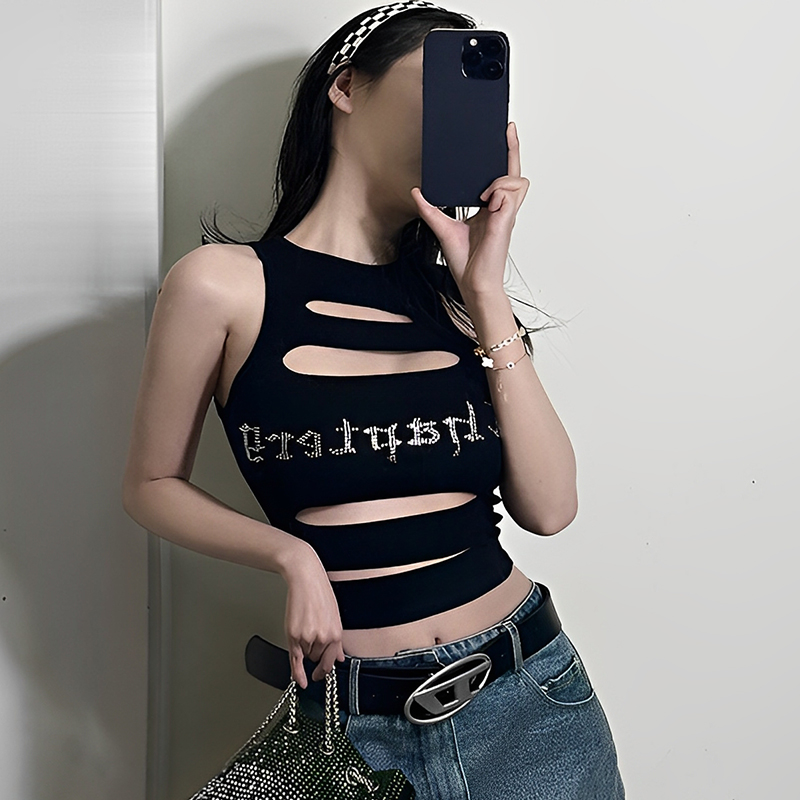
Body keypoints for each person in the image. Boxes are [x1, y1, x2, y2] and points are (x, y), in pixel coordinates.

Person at [122, 2, 625, 797]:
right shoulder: (222, 286)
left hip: (532, 702)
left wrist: (487, 292)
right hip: (354, 732)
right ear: (347, 87)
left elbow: (551, 506)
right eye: (438, 82)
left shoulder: (461, 303)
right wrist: (291, 556)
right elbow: (150, 485)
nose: (458, 117)